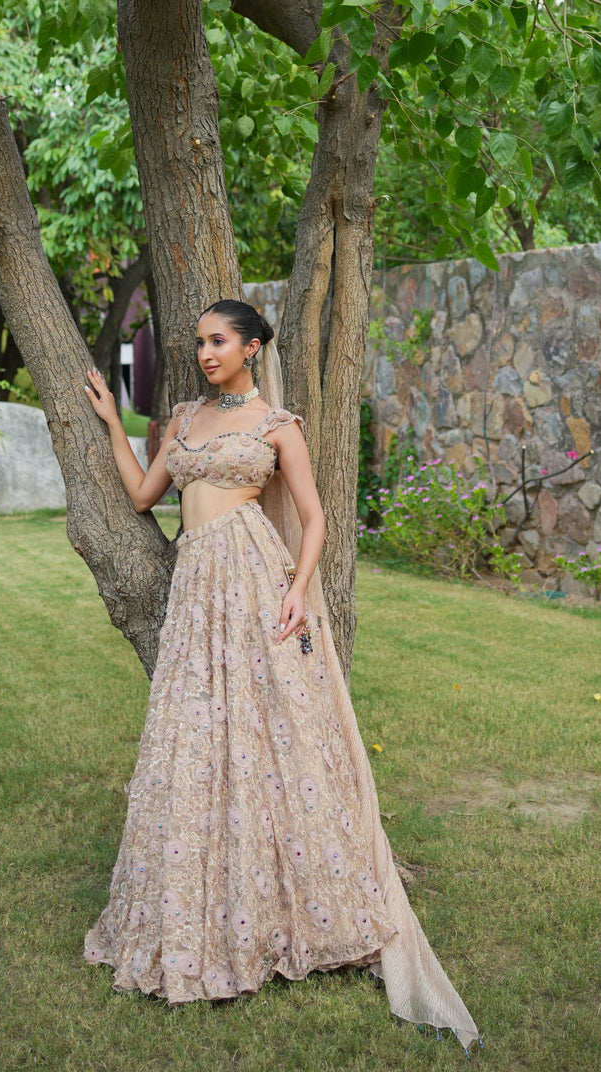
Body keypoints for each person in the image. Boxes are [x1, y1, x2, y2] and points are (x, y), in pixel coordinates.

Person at [82, 299, 479, 1050]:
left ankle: (301, 908)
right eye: (199, 341)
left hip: (257, 579)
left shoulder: (277, 425)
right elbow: (142, 497)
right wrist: (112, 422)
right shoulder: (184, 420)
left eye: (219, 340)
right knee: (197, 737)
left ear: (253, 347)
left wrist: (298, 588)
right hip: (198, 588)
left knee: (274, 737)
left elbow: (315, 514)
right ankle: (209, 905)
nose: (205, 352)